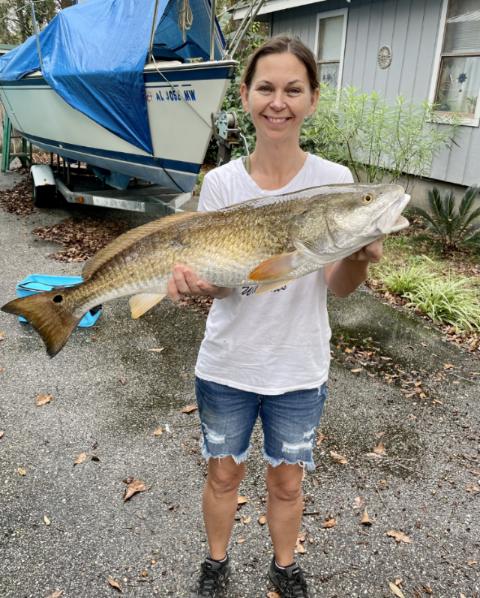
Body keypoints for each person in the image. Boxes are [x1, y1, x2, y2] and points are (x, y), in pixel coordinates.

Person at [167, 36, 383, 598]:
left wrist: (358, 258)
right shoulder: (221, 183)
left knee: (288, 482)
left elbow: (338, 286)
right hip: (228, 364)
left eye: (293, 89)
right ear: (245, 95)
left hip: (298, 367)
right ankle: (216, 563)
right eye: (265, 88)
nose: (278, 102)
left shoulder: (336, 182)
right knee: (222, 474)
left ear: (313, 98)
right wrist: (198, 286)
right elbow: (222, 286)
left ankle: (284, 567)